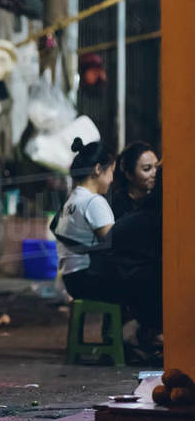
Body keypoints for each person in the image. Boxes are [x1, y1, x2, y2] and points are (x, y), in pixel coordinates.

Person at [53, 137, 120, 303]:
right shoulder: (93, 202)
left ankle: (114, 327)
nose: (112, 179)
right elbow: (116, 243)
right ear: (98, 169)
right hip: (89, 280)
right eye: (111, 171)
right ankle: (122, 329)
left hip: (72, 281)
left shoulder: (72, 200)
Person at [112, 169, 162, 348]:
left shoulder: (148, 207)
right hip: (121, 274)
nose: (152, 174)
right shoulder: (121, 203)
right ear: (129, 174)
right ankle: (143, 331)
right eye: (147, 168)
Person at [111, 141, 159, 220]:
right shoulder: (118, 205)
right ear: (129, 174)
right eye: (147, 169)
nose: (155, 173)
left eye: (157, 167)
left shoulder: (154, 198)